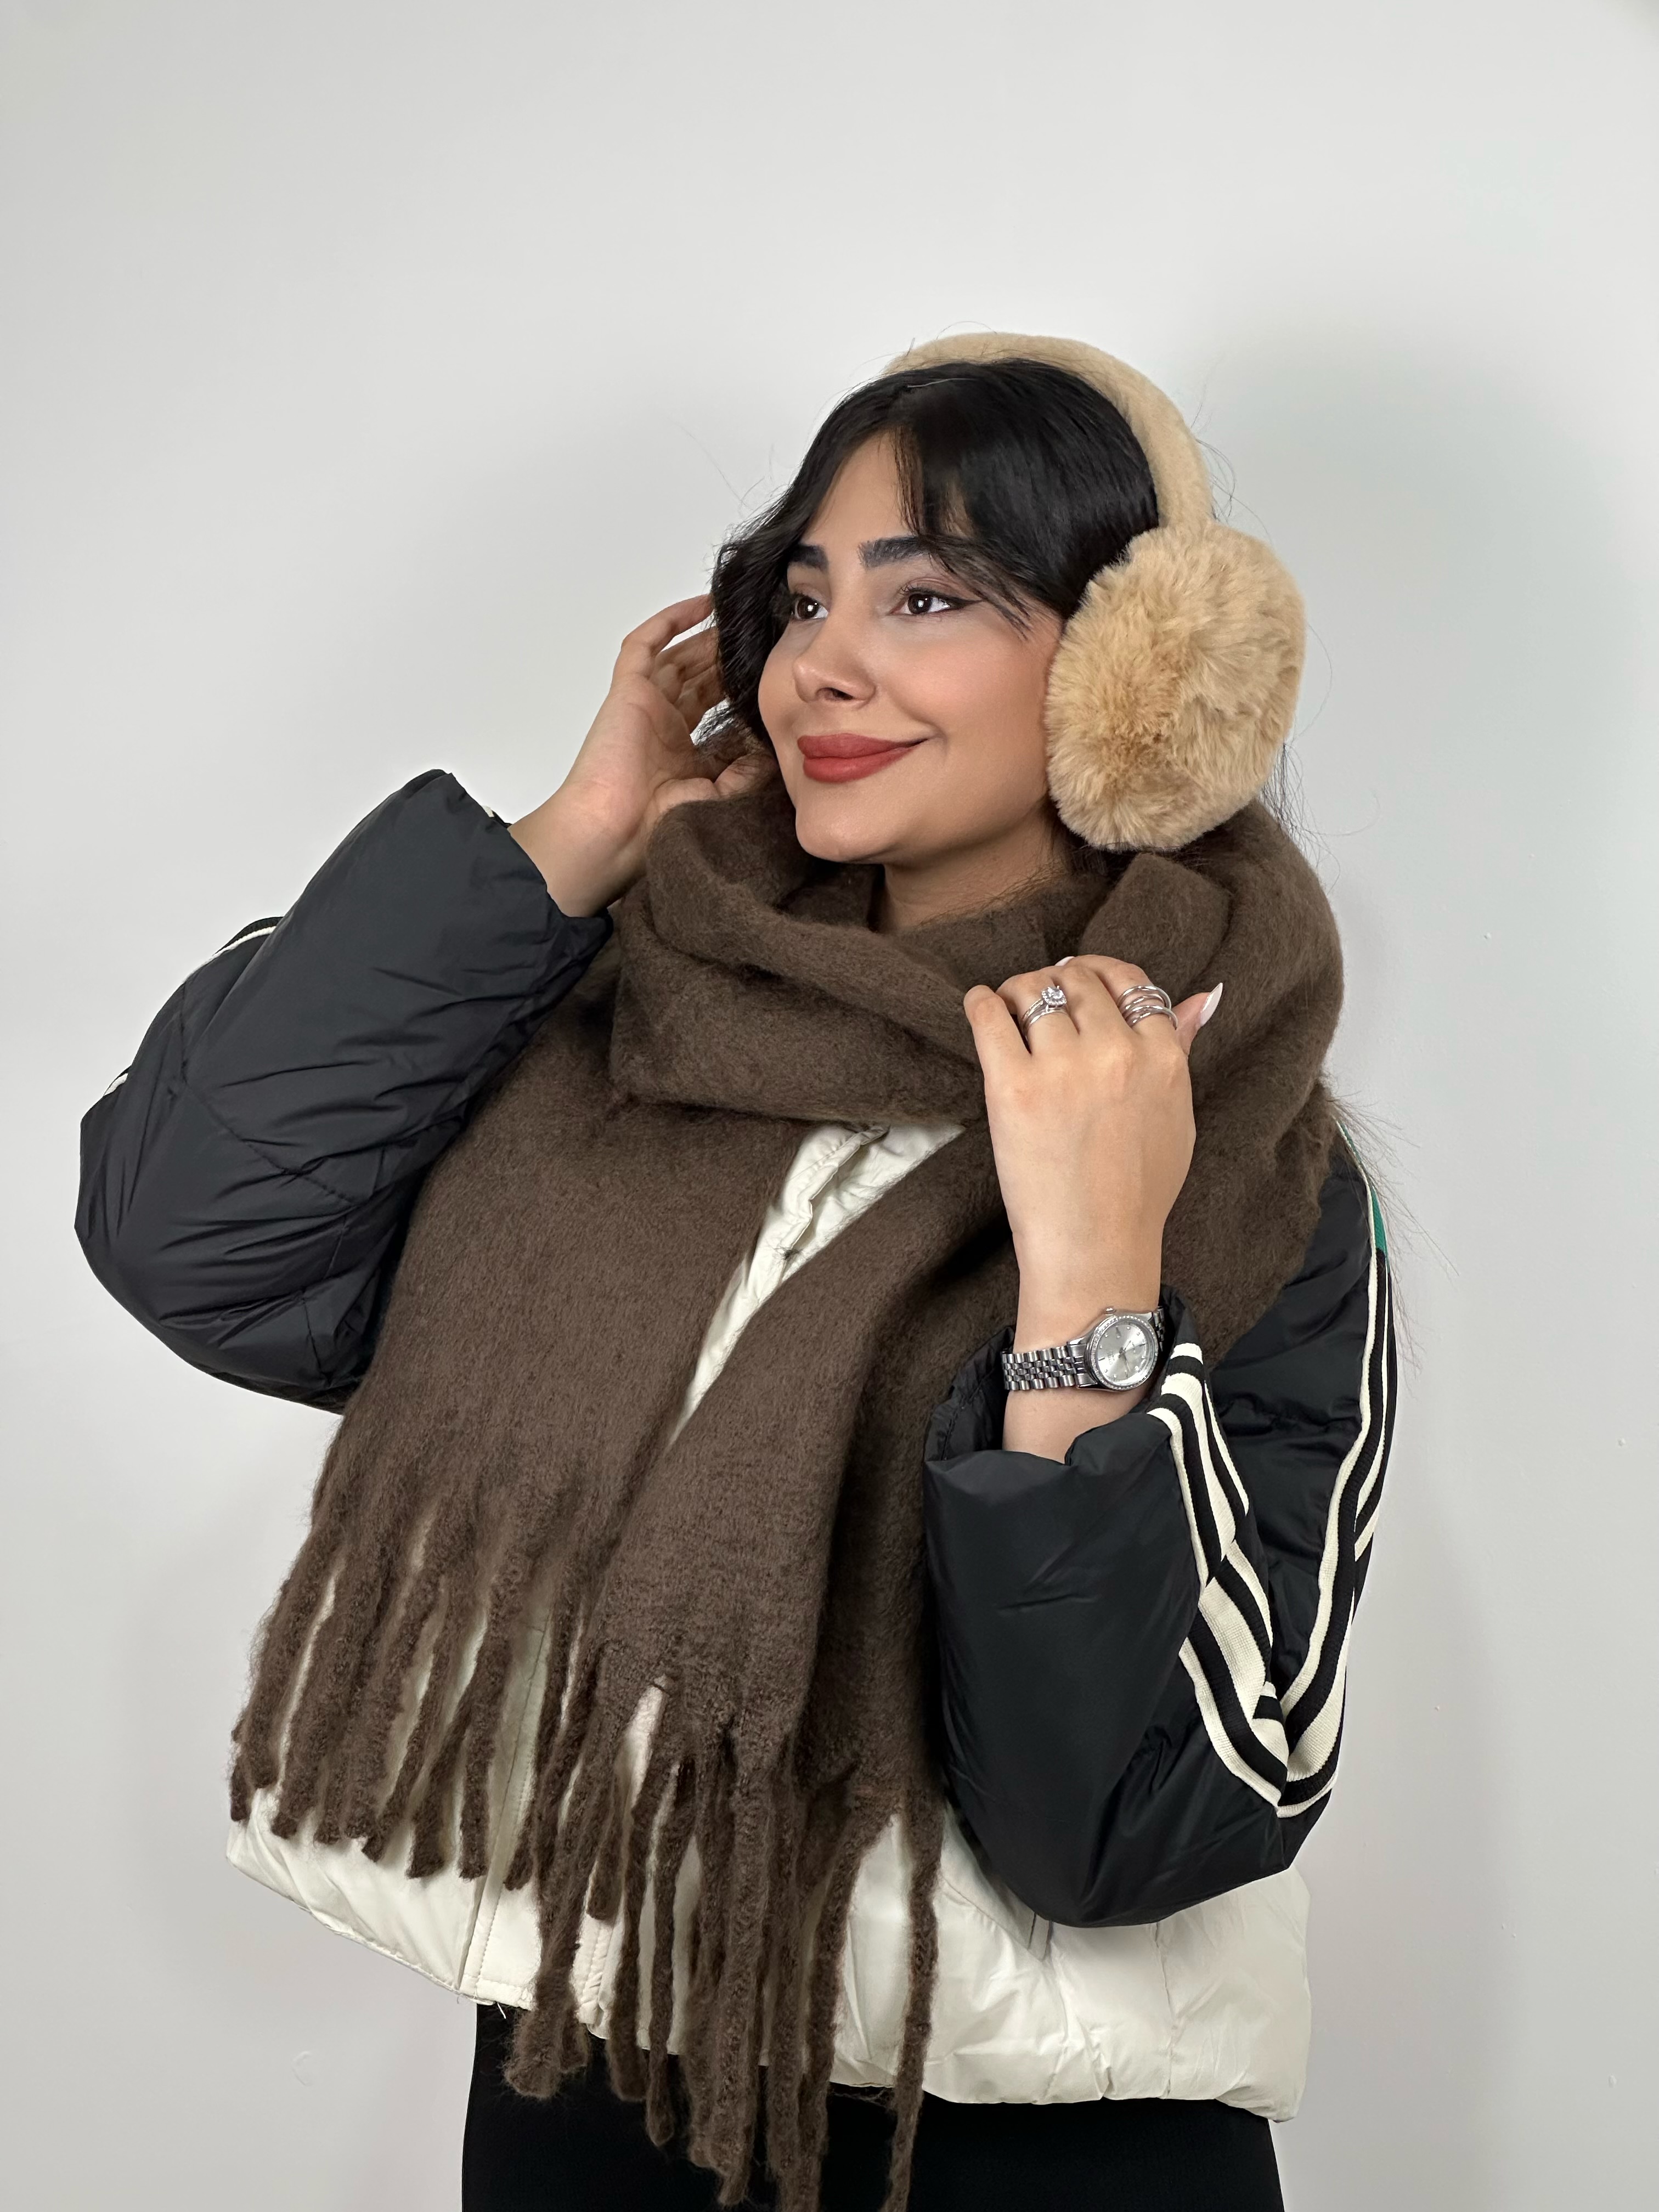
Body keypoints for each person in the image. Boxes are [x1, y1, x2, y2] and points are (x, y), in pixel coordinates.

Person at [77, 334, 1395, 2212]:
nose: (822, 665)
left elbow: (1121, 1831)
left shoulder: (1238, 1155)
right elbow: (189, 1233)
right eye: (804, 595)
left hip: (1040, 2157)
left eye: (926, 596)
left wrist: (1093, 1278)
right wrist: (572, 843)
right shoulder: (622, 1025)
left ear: (1137, 677)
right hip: (587, 2095)